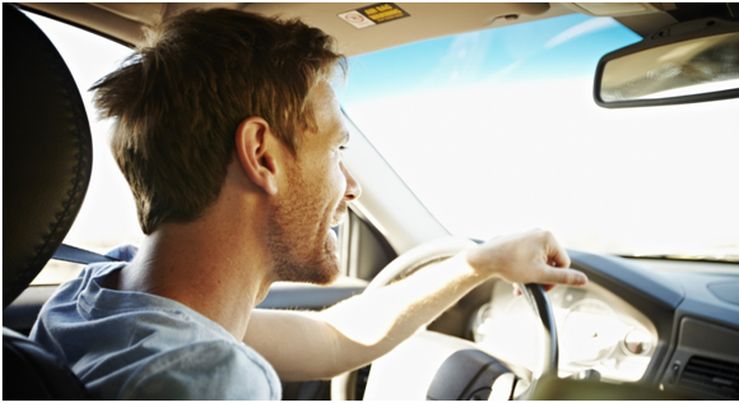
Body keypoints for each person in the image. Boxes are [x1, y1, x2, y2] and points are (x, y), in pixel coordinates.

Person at [30, 8, 588, 399]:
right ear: (263, 156)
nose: (352, 186)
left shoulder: (96, 299)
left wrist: (481, 261)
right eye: (337, 150)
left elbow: (337, 338)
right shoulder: (207, 381)